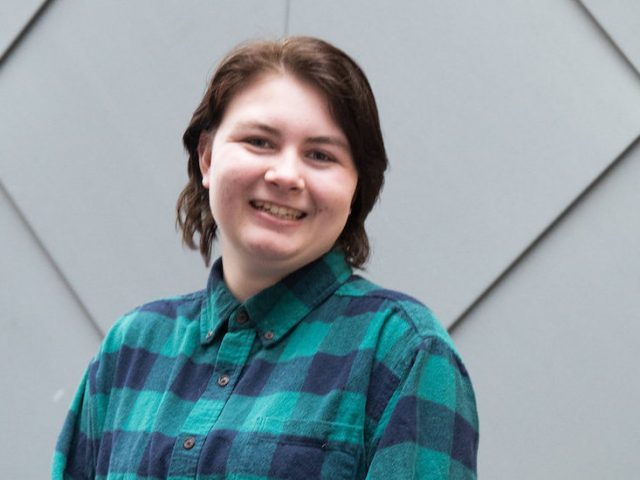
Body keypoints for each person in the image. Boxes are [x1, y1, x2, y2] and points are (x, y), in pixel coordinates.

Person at [53, 36, 478, 479]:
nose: (285, 175)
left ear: (356, 187)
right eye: (259, 141)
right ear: (207, 157)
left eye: (320, 154)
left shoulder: (402, 352)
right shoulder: (131, 348)